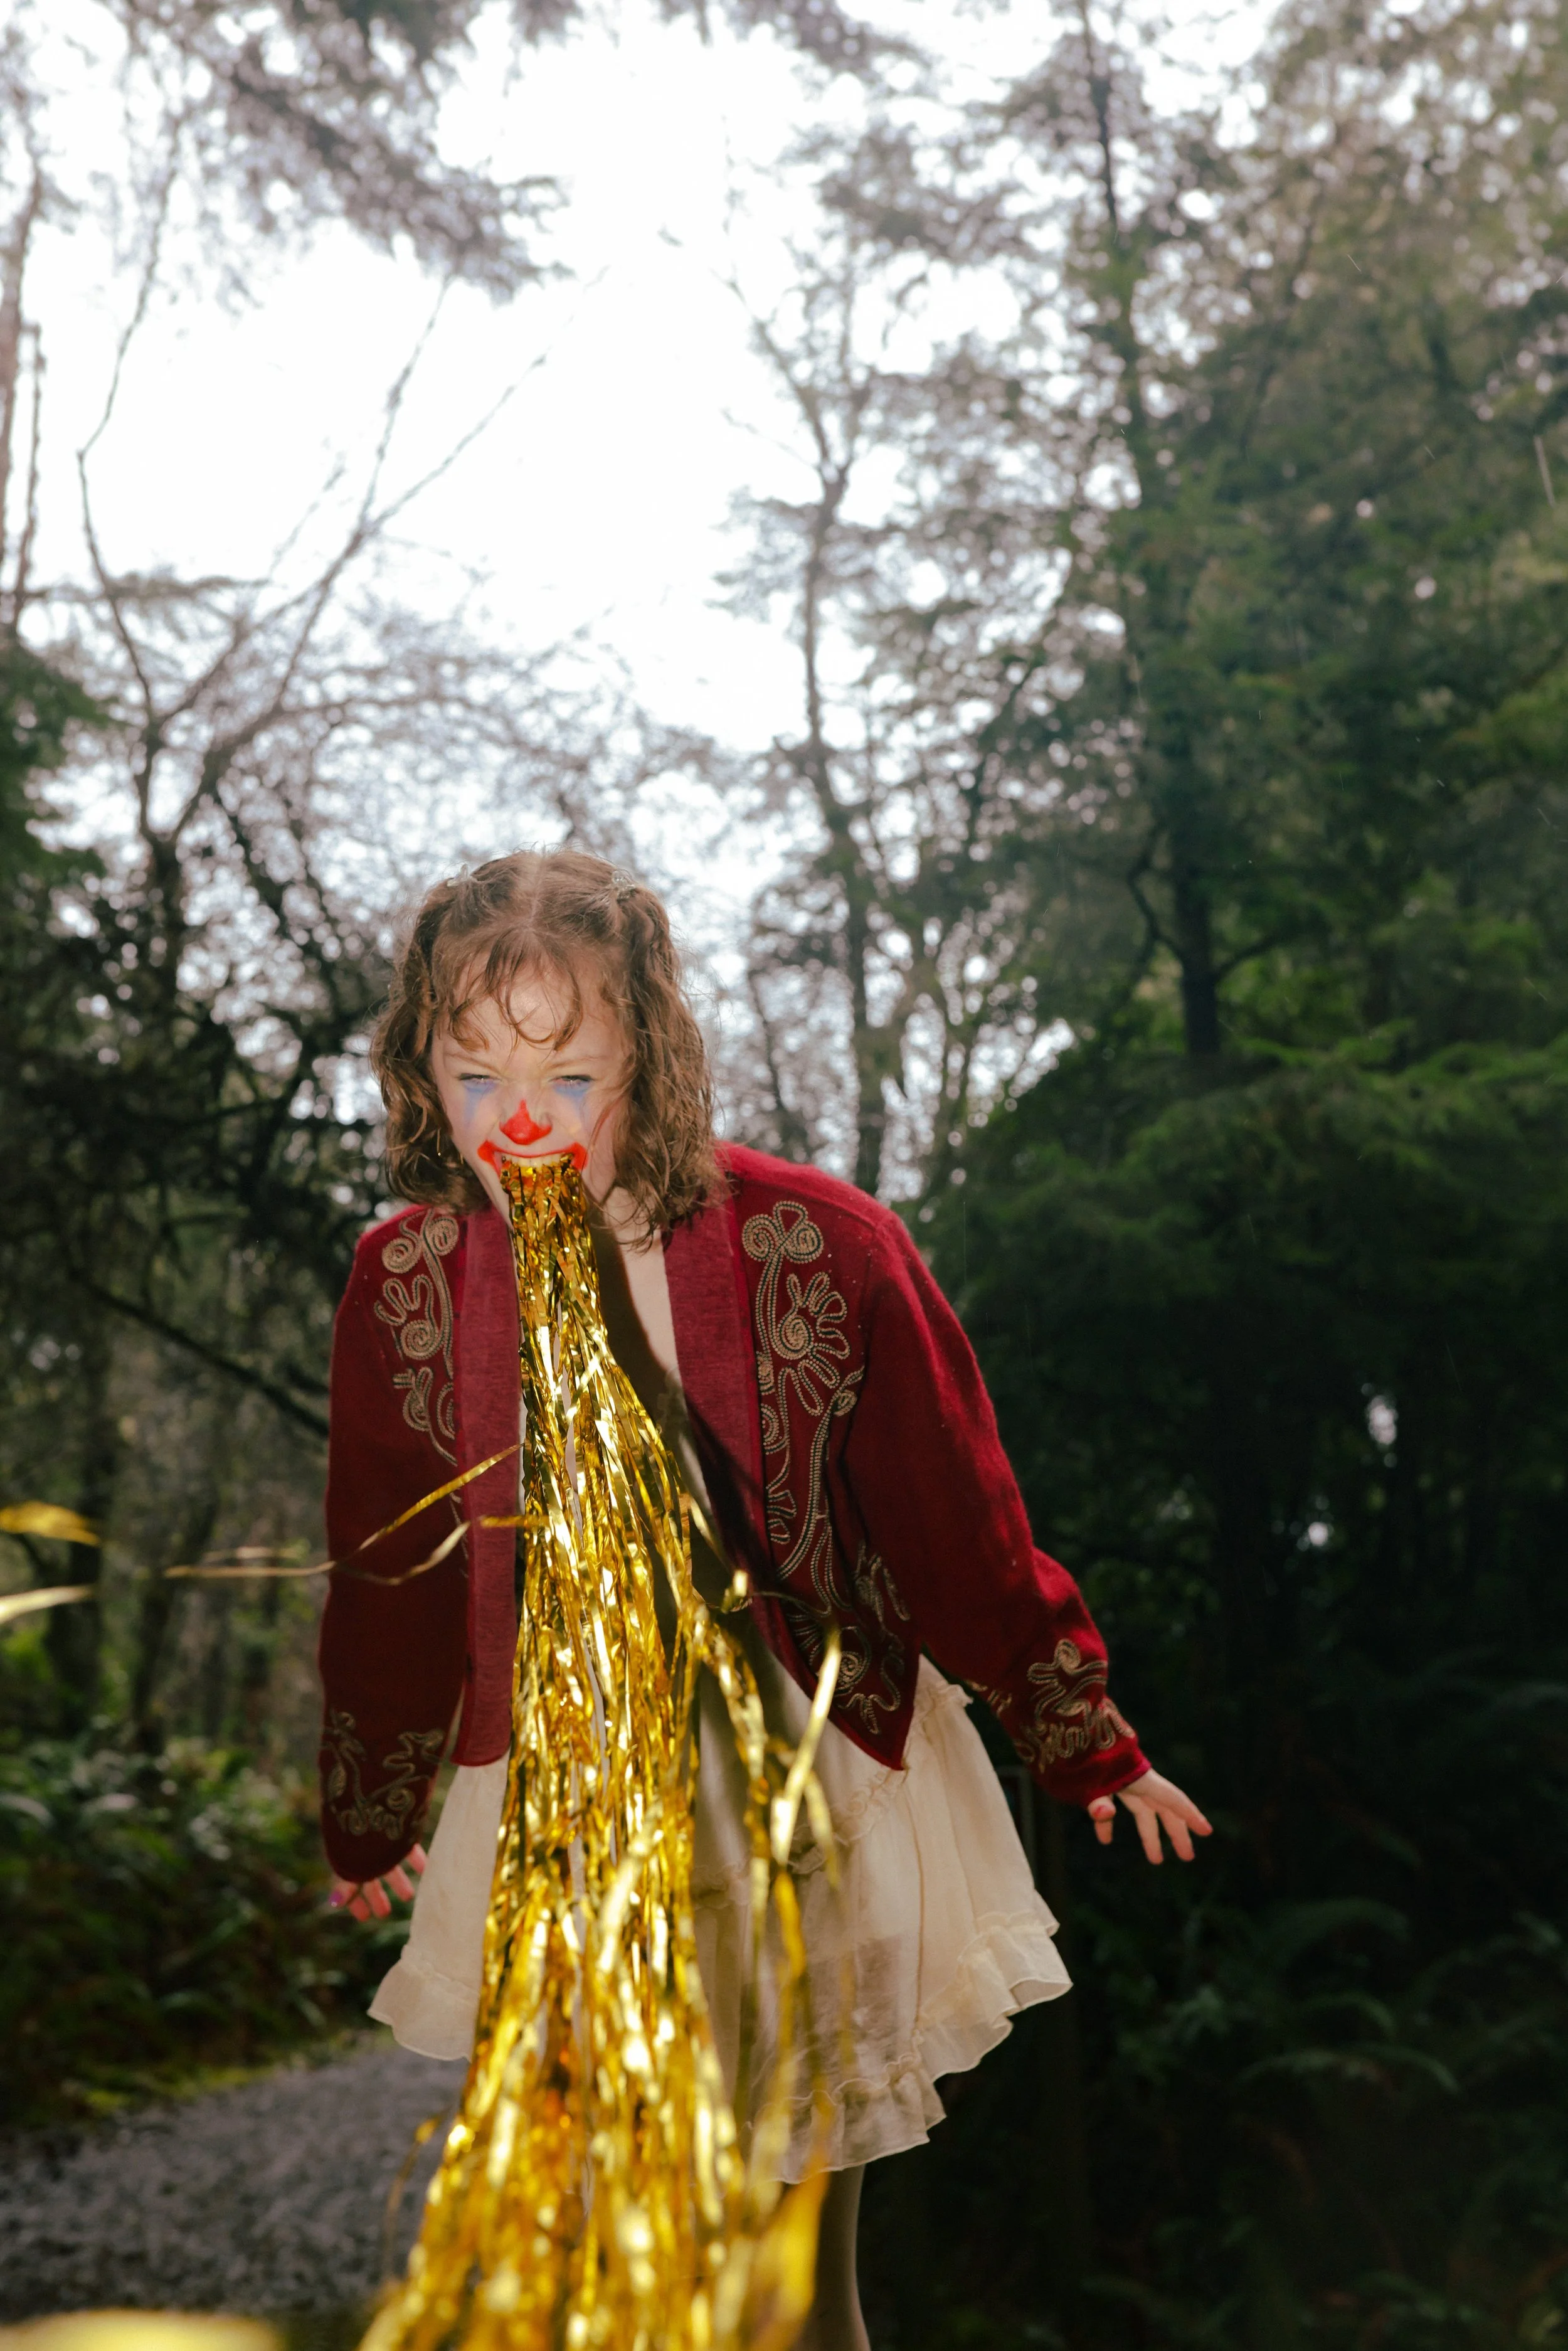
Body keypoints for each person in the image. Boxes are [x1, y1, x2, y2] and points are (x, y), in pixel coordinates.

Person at [317, 847, 1210, 2351]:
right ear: (424, 1074)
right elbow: (387, 1569)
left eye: (570, 1070)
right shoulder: (404, 1282)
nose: (521, 1119)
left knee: (795, 2276)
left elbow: (952, 1517)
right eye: (475, 1075)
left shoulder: (819, 1243)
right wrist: (372, 1803)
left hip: (802, 1795)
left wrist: (1082, 1732)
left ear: (649, 1059)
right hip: (558, 1817)